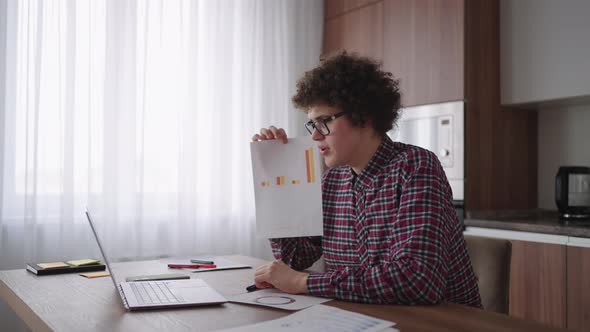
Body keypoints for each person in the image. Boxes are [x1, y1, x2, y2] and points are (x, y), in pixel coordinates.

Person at [251, 53, 482, 307]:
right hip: (366, 319)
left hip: (438, 323)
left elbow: (416, 280)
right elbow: (293, 259)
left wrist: (303, 283)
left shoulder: (415, 168)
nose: (315, 135)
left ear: (365, 116)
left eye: (324, 121)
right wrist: (275, 178)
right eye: (311, 125)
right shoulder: (332, 182)